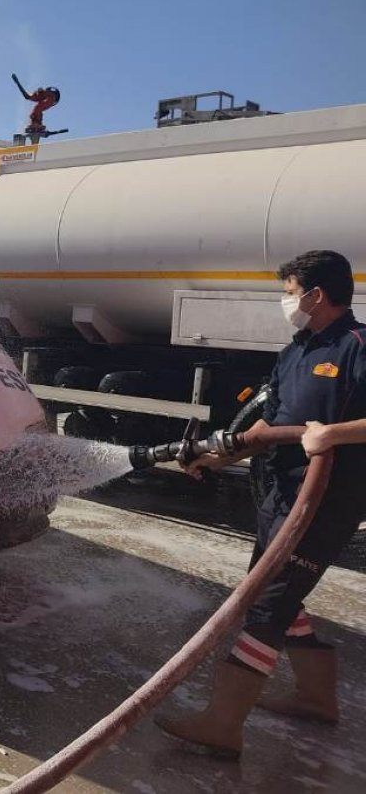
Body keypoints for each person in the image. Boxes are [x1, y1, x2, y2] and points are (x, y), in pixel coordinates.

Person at [156, 249, 366, 758]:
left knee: (268, 604)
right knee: (270, 593)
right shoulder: (296, 350)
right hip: (281, 493)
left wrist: (332, 434)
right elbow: (268, 427)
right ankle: (316, 698)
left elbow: (328, 430)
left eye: (290, 293)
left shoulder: (358, 346)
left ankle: (223, 724)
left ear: (317, 295)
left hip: (326, 500)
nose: (286, 302)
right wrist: (217, 457)